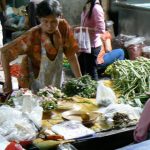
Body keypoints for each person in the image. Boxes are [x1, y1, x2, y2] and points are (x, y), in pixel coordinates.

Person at [1, 0, 82, 94]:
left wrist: (80, 80)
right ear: (39, 19)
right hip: (35, 85)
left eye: (53, 22)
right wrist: (8, 83)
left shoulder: (63, 27)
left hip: (57, 81)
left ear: (60, 17)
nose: (49, 26)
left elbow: (71, 56)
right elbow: (4, 53)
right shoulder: (32, 35)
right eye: (45, 21)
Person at [75, 0, 124, 80]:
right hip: (86, 46)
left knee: (91, 75)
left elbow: (101, 30)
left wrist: (82, 29)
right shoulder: (87, 5)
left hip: (93, 47)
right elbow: (108, 50)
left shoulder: (96, 8)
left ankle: (117, 77)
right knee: (85, 75)